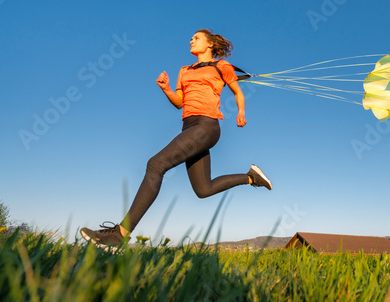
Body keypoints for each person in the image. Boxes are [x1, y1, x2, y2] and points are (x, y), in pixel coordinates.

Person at [80, 29, 272, 250]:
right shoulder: (184, 70)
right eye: (191, 38)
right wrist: (166, 89)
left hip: (206, 127)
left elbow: (237, 92)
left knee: (156, 165)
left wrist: (241, 113)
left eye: (196, 38)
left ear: (209, 44)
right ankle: (251, 178)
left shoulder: (221, 67)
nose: (191, 40)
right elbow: (179, 102)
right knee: (204, 190)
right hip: (189, 127)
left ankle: (119, 235)